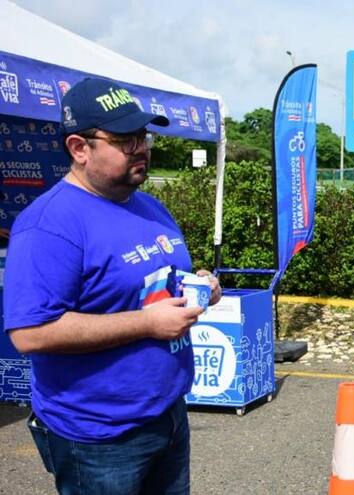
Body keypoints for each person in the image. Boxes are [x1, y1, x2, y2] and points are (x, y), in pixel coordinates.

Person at [2, 77, 221, 495]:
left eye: (143, 135)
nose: (142, 147)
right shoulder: (50, 225)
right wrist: (146, 324)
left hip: (168, 415)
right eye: (125, 139)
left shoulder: (148, 204)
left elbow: (155, 285)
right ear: (79, 149)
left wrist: (200, 287)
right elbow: (30, 333)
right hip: (98, 437)